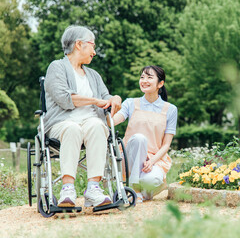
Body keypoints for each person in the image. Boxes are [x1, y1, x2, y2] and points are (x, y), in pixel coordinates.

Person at [44, 25, 122, 208]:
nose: (94, 52)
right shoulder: (56, 67)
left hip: (90, 122)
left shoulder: (93, 75)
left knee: (97, 125)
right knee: (72, 129)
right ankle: (67, 189)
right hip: (61, 123)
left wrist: (115, 98)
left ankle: (93, 189)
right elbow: (64, 99)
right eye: (92, 46)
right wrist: (95, 101)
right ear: (79, 44)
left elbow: (106, 97)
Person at [112, 65, 178, 202]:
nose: (144, 80)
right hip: (129, 156)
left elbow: (166, 145)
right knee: (139, 139)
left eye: (149, 77)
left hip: (153, 159)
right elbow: (114, 120)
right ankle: (135, 188)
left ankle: (143, 191)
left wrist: (152, 161)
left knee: (152, 180)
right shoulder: (130, 103)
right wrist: (108, 114)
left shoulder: (170, 110)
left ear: (160, 83)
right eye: (142, 77)